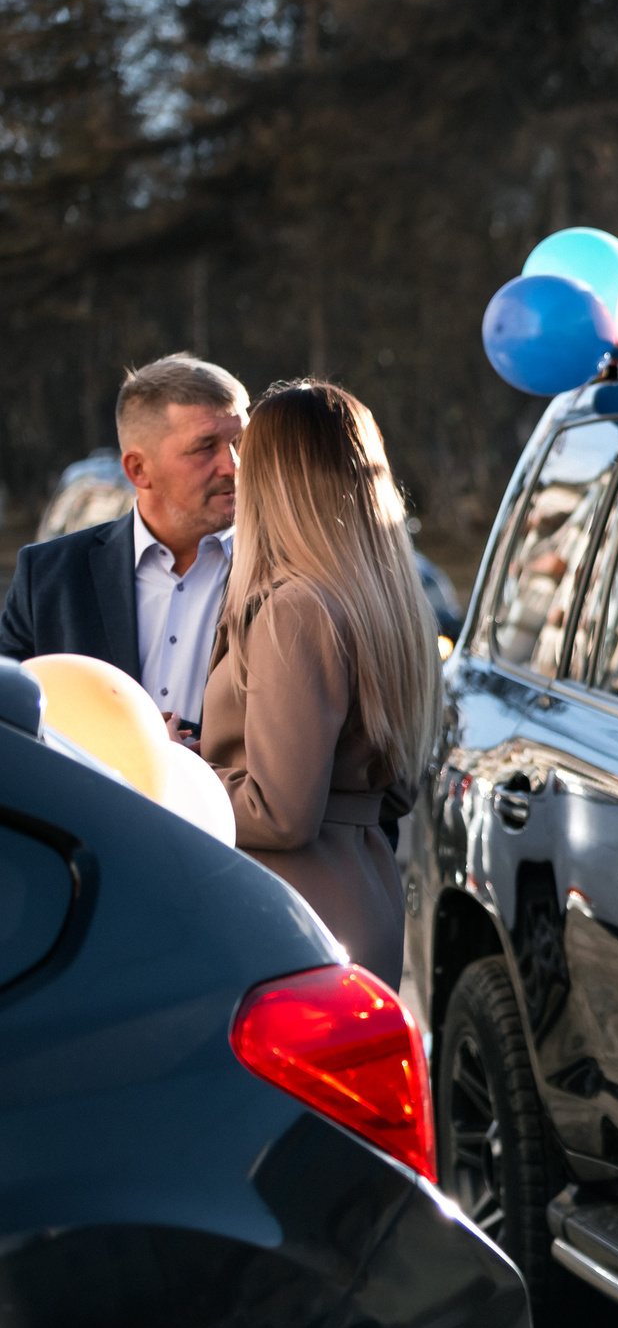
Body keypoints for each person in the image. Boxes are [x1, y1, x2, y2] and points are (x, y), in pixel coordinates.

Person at [200, 382, 435, 985]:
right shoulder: (386, 604)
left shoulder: (295, 609)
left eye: (245, 464)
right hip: (362, 895)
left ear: (276, 484)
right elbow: (397, 788)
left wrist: (178, 770)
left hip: (291, 917)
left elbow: (280, 814)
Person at [0, 354, 248, 740]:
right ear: (137, 469)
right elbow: (9, 725)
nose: (232, 465)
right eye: (205, 447)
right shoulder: (49, 577)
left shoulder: (282, 573)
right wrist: (130, 748)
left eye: (239, 442)